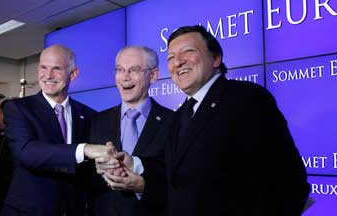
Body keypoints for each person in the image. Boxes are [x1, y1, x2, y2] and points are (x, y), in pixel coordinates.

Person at [100, 25, 310, 216]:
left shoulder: (247, 99)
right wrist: (134, 164)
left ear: (216, 58)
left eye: (188, 52)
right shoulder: (182, 113)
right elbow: (173, 172)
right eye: (171, 57)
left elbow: (289, 181)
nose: (177, 62)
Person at [1, 44, 114, 216]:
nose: (48, 75)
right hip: (28, 211)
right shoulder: (18, 108)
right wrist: (83, 149)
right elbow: (26, 151)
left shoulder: (89, 115)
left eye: (56, 68)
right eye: (43, 67)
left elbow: (90, 172)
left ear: (73, 74)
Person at [88, 46, 174, 216]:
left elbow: (177, 182)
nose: (125, 77)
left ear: (154, 75)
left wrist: (143, 186)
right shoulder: (98, 121)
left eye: (134, 70)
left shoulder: (173, 122)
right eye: (120, 70)